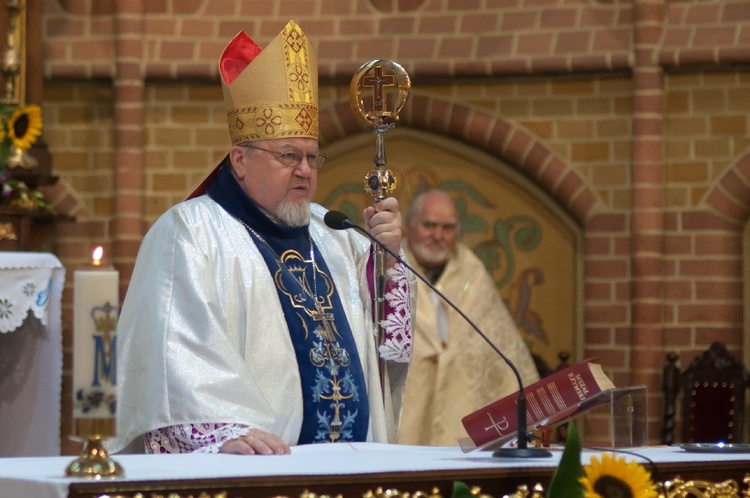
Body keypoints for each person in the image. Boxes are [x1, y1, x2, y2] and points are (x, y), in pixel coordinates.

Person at [111, 21, 413, 456]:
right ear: (240, 160)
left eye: (311, 156)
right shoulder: (191, 233)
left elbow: (387, 347)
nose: (305, 170)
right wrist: (221, 435)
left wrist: (389, 260)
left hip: (352, 465)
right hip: (258, 468)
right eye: (288, 155)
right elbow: (172, 355)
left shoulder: (335, 233)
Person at [397, 189, 539, 446]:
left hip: (459, 410)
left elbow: (498, 346)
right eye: (429, 225)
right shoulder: (388, 266)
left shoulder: (473, 274)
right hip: (405, 408)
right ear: (410, 225)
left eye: (448, 228)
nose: (438, 236)